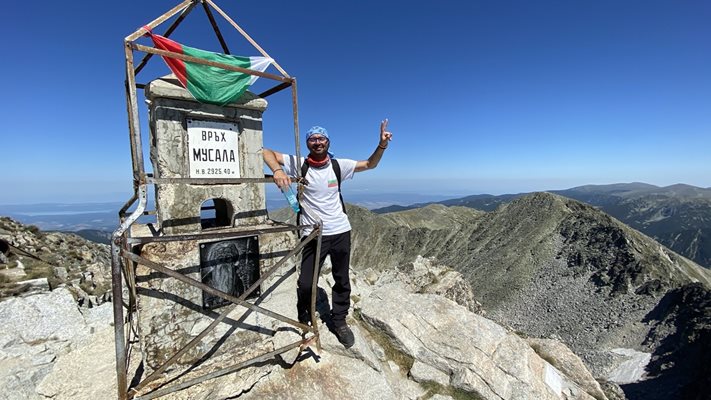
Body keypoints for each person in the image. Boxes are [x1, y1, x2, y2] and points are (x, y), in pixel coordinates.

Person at [263, 120, 393, 348]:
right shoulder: (299, 163)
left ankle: (339, 320)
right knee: (306, 282)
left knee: (341, 279)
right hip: (313, 233)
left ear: (327, 141)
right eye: (312, 139)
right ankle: (304, 317)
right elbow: (265, 151)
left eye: (321, 138)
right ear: (307, 143)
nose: (317, 142)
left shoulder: (338, 165)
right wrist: (278, 170)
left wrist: (381, 145)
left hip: (341, 230)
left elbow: (370, 165)